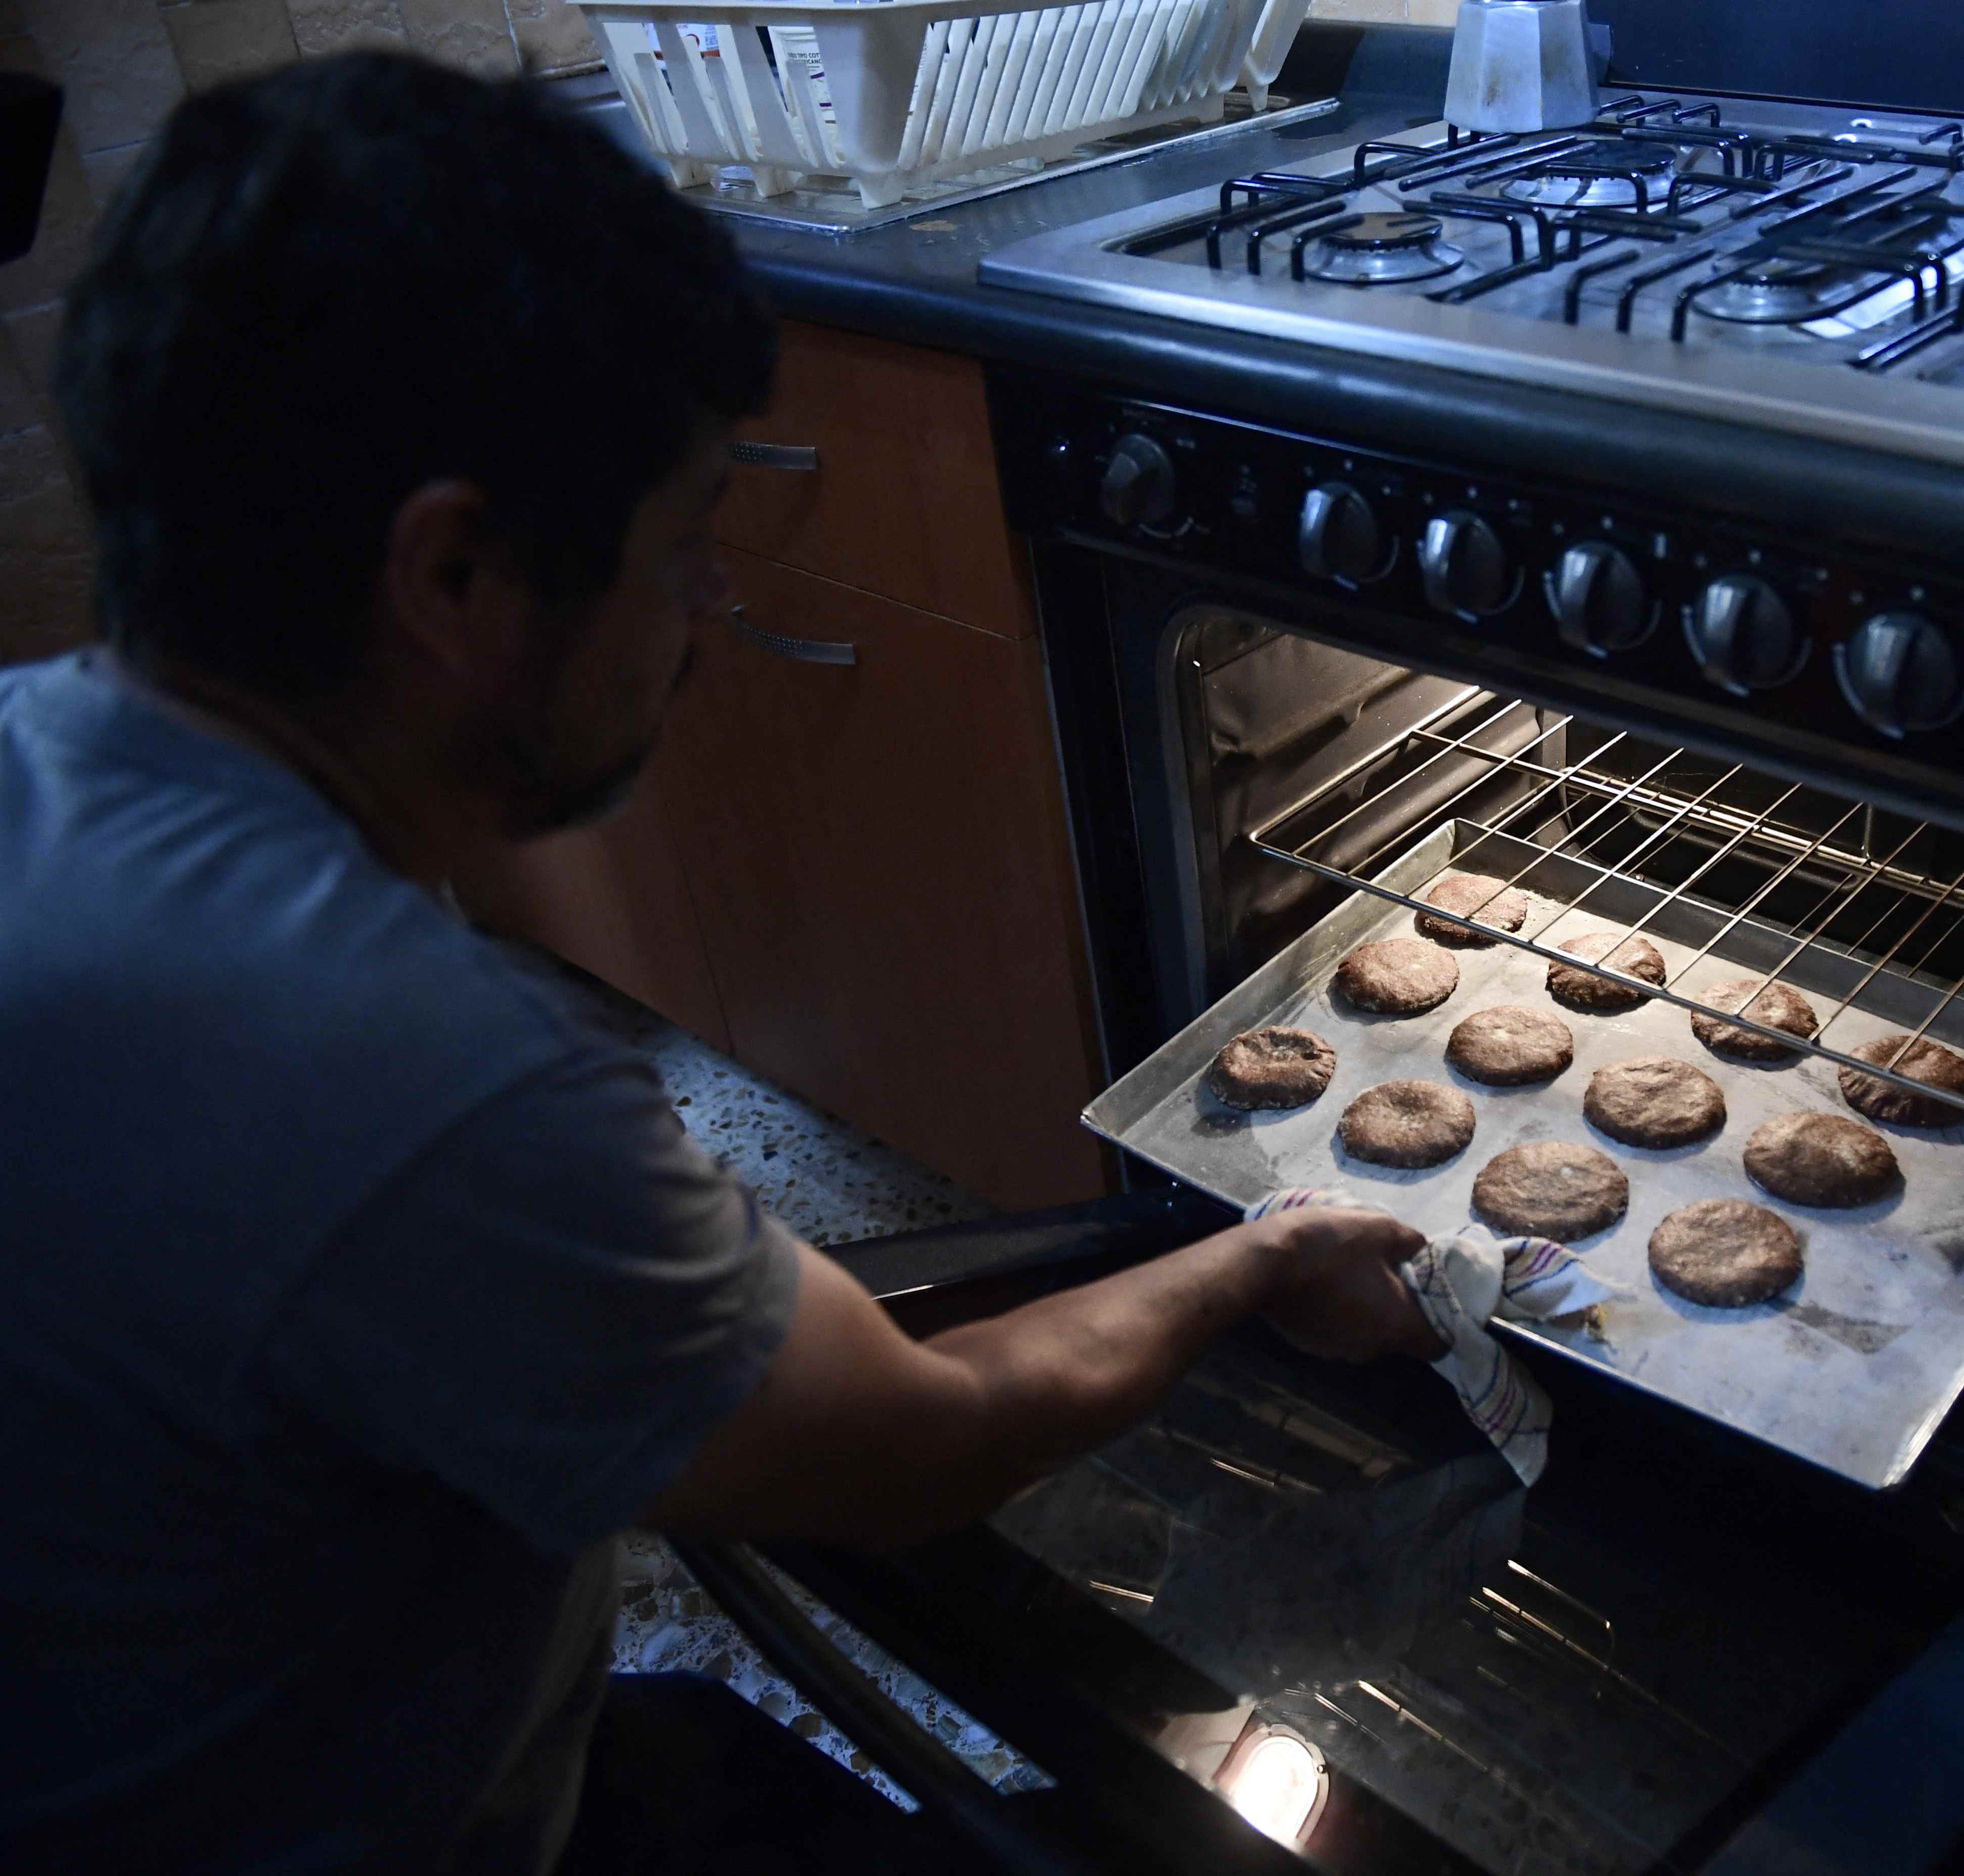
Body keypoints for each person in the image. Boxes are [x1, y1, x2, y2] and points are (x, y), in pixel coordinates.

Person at [0, 52, 1438, 1874]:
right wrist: (1252, 1265)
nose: (709, 619)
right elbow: (918, 1443)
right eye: (685, 554)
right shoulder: (422, 1082)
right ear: (454, 581)